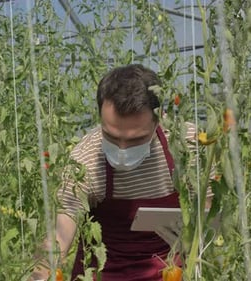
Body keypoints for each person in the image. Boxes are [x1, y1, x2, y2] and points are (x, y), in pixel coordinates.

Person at [29, 64, 213, 280]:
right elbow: (60, 234)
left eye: (136, 139)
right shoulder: (85, 159)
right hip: (105, 272)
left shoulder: (187, 144)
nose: (122, 149)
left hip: (170, 271)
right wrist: (39, 276)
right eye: (112, 137)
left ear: (159, 118)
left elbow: (207, 210)